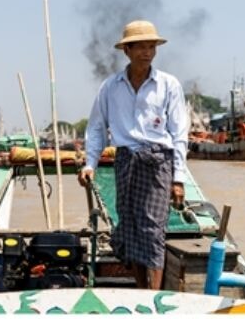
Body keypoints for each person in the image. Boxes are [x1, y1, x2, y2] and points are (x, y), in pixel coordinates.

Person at [78, 20, 189, 290]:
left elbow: (180, 133)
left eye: (151, 47)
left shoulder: (168, 85)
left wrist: (178, 178)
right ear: (127, 50)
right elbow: (96, 129)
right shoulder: (110, 87)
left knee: (152, 230)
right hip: (126, 160)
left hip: (157, 161)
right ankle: (142, 291)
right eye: (140, 47)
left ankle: (153, 298)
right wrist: (90, 164)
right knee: (130, 230)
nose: (147, 52)